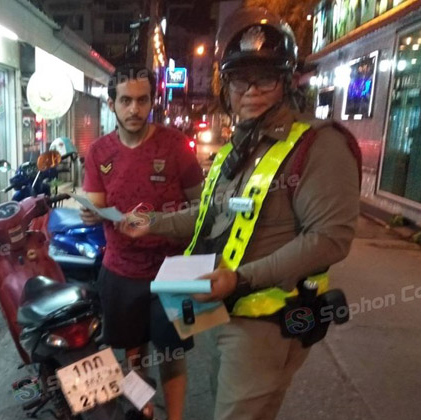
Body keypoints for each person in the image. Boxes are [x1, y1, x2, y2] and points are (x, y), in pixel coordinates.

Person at [119, 8, 361, 420]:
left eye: (264, 77)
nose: (250, 90)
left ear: (286, 82)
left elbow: (330, 239)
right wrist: (152, 224)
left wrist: (241, 278)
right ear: (225, 86)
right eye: (238, 78)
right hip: (230, 313)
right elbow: (209, 214)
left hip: (269, 323)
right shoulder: (239, 149)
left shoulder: (319, 145)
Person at [81, 63, 205, 420]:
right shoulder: (99, 152)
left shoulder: (176, 146)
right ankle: (143, 409)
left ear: (152, 101)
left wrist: (162, 224)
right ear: (111, 104)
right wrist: (90, 213)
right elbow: (97, 205)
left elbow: (202, 207)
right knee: (133, 352)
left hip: (174, 269)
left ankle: (175, 417)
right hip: (120, 270)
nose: (134, 109)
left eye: (142, 100)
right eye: (125, 100)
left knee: (172, 353)